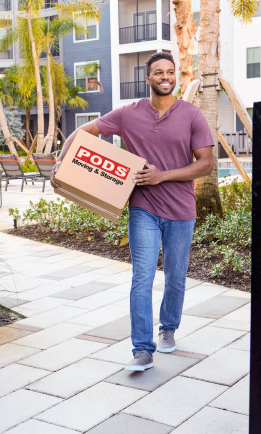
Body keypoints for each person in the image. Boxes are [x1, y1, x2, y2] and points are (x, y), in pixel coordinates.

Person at [50, 52, 214, 371]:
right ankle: (142, 348)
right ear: (148, 78)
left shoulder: (192, 115)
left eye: (170, 72)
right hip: (144, 208)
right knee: (142, 277)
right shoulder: (128, 115)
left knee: (176, 277)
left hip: (181, 210)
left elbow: (205, 164)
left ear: (174, 77)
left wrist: (161, 175)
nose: (165, 77)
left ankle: (168, 328)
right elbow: (86, 132)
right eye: (158, 72)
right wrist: (62, 160)